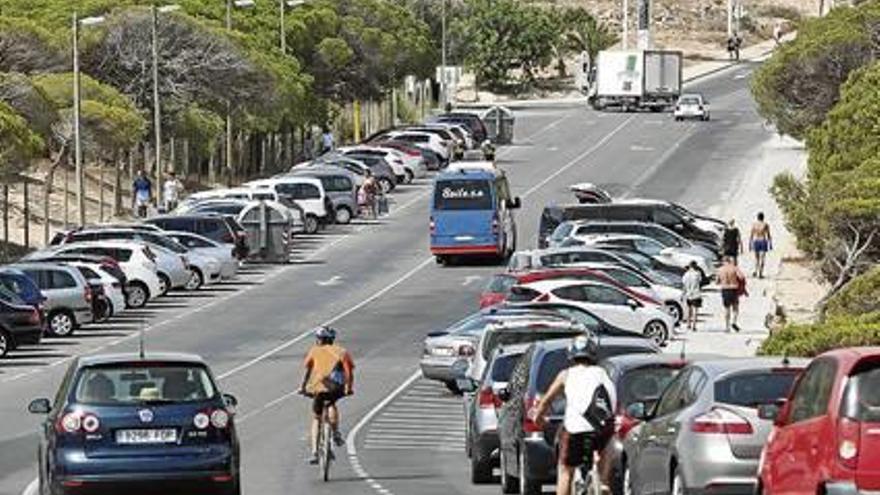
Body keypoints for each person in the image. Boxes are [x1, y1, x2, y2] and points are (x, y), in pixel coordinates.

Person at [531, 336, 616, 495]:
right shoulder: (602, 373)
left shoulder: (566, 375)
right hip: (600, 428)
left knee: (565, 470)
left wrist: (538, 417)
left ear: (571, 355)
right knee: (608, 443)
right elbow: (611, 399)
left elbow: (546, 401)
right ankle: (603, 481)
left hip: (575, 429)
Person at [298, 326, 355, 465]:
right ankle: (335, 433)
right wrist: (348, 388)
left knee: (316, 418)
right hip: (336, 388)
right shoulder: (342, 352)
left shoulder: (314, 351)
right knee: (332, 403)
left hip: (318, 389)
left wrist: (303, 387)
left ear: (319, 340)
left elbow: (307, 370)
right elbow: (349, 372)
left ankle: (315, 453)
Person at [717, 256, 746, 332]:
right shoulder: (734, 268)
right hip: (734, 288)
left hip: (725, 289)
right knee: (735, 307)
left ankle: (727, 326)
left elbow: (717, 281)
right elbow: (742, 277)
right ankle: (734, 322)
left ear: (723, 261)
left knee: (727, 309)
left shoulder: (720, 270)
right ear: (729, 261)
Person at [749, 212, 773, 278]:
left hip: (756, 241)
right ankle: (760, 273)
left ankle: (756, 271)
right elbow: (768, 235)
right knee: (762, 258)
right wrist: (770, 244)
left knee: (756, 258)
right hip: (763, 241)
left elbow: (751, 235)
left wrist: (750, 244)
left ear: (757, 217)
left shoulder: (754, 224)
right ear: (763, 217)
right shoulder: (765, 224)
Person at [682, 261, 703, 332]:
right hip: (696, 293)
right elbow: (699, 282)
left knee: (689, 309)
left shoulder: (686, 275)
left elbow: (684, 286)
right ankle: (694, 325)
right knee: (695, 310)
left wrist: (683, 294)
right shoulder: (698, 273)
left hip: (688, 294)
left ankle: (688, 324)